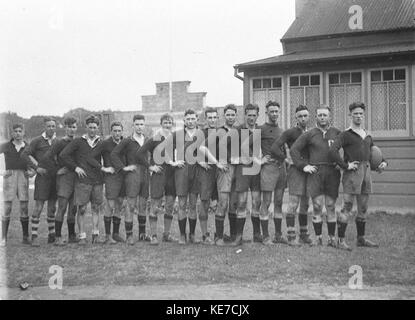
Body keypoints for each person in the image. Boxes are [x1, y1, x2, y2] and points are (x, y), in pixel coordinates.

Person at [329, 102, 387, 250]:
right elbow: (333, 151)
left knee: (363, 207)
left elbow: (375, 154)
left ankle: (361, 239)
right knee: (347, 206)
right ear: (350, 115)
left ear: (364, 115)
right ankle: (340, 241)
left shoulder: (367, 135)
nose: (358, 116)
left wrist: (383, 163)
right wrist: (345, 165)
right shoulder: (345, 134)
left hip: (366, 173)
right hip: (352, 174)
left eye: (361, 113)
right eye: (355, 113)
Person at [291, 105, 341, 247]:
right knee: (317, 205)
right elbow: (294, 149)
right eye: (320, 115)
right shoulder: (310, 133)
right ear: (316, 117)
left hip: (332, 172)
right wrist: (303, 165)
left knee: (330, 205)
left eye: (325, 115)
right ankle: (318, 238)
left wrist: (342, 163)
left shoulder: (337, 133)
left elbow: (349, 148)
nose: (322, 117)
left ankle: (331, 238)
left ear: (330, 116)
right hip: (316, 173)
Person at [60, 115, 104, 245]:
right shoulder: (78, 141)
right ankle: (82, 236)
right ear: (86, 127)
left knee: (96, 208)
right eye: (90, 127)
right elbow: (63, 155)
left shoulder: (101, 142)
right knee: (82, 208)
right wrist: (75, 168)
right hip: (83, 181)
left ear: (98, 128)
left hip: (97, 180)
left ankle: (96, 234)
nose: (92, 130)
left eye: (94, 128)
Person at [271, 105, 312, 245]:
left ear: (309, 116)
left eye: (305, 116)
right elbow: (274, 147)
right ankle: (291, 235)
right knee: (294, 203)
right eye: (300, 116)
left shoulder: (313, 132)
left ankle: (304, 234)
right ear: (296, 118)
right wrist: (286, 159)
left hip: (309, 170)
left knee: (306, 203)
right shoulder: (290, 132)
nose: (303, 118)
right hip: (295, 171)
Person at [199, 104, 239, 246]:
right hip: (224, 170)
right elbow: (202, 147)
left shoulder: (238, 130)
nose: (230, 117)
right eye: (228, 115)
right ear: (224, 116)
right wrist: (216, 162)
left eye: (233, 115)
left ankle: (234, 236)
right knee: (223, 203)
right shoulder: (219, 132)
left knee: (234, 203)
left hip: (237, 171)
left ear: (236, 116)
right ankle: (219, 237)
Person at [136, 113, 177, 245]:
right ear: (161, 124)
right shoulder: (155, 138)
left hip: (171, 174)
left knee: (170, 204)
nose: (167, 125)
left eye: (169, 122)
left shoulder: (174, 138)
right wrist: (150, 167)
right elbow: (140, 153)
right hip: (159, 174)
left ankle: (166, 234)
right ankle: (154, 235)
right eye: (165, 122)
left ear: (172, 124)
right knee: (155, 205)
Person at [111, 114, 150, 245]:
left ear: (144, 125)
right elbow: (114, 154)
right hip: (132, 175)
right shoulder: (127, 141)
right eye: (137, 124)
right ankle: (129, 236)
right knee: (131, 205)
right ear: (133, 125)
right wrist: (123, 168)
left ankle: (142, 234)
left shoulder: (147, 140)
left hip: (145, 174)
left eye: (141, 124)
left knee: (143, 205)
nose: (139, 127)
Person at [164, 109, 201, 245]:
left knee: (192, 205)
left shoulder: (200, 134)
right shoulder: (176, 135)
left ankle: (191, 234)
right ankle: (182, 235)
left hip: (196, 171)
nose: (190, 121)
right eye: (188, 119)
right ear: (184, 121)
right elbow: (164, 151)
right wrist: (173, 162)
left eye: (193, 119)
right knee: (181, 204)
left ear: (196, 119)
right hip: (181, 172)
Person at [22, 117, 58, 247]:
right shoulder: (37, 141)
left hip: (54, 179)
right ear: (45, 127)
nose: (51, 128)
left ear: (56, 127)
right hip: (42, 179)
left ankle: (52, 235)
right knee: (38, 207)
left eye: (53, 126)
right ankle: (35, 236)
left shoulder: (57, 141)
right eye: (49, 126)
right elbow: (25, 154)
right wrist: (37, 168)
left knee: (52, 207)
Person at [43, 117, 79, 246]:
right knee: (62, 207)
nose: (71, 129)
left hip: (77, 177)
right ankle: (57, 236)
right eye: (69, 127)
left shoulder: (78, 142)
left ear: (76, 128)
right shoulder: (59, 143)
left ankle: (71, 235)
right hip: (64, 178)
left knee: (73, 207)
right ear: (65, 128)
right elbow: (47, 157)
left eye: (73, 127)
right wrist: (56, 170)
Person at [89, 121, 126, 244]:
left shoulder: (124, 142)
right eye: (114, 131)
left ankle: (115, 234)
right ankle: (108, 235)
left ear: (122, 131)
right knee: (110, 205)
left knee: (119, 204)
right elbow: (90, 157)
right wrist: (103, 168)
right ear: (111, 132)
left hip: (123, 177)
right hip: (111, 178)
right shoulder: (105, 144)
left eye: (119, 131)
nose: (117, 133)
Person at [232, 104, 262, 246]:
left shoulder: (261, 130)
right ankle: (239, 236)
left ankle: (257, 235)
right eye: (249, 115)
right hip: (243, 170)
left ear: (257, 116)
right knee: (242, 202)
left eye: (254, 115)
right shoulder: (237, 130)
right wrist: (235, 158)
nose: (251, 117)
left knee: (257, 202)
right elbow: (224, 147)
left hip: (257, 170)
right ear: (245, 115)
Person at [259, 101, 287, 245]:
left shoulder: (281, 130)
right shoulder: (261, 129)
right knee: (266, 202)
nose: (274, 114)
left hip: (281, 168)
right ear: (267, 112)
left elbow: (284, 150)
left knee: (279, 202)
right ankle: (265, 236)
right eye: (272, 111)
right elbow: (247, 146)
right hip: (268, 168)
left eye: (276, 111)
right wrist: (259, 160)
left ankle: (278, 235)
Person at [0, 123, 33, 246]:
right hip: (10, 177)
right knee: (7, 207)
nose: (18, 133)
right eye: (16, 131)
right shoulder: (6, 146)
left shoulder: (28, 146)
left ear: (24, 132)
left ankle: (25, 237)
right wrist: (2, 172)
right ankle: (3, 238)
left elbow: (36, 161)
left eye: (20, 131)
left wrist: (33, 172)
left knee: (24, 207)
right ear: (12, 133)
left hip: (23, 177)